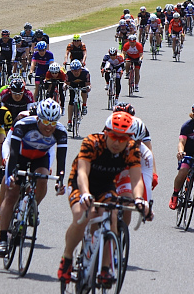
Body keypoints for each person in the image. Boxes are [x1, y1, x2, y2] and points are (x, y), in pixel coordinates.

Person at [57, 112, 148, 283]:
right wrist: (85, 193)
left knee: (112, 215)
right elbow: (82, 172)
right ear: (106, 132)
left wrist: (139, 200)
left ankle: (105, 268)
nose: (117, 142)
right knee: (82, 215)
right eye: (113, 136)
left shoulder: (131, 149)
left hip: (106, 184)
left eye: (123, 138)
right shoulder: (91, 142)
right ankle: (67, 259)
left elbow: (137, 180)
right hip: (81, 182)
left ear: (129, 138)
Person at [0, 99, 68, 256]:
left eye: (53, 122)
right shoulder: (24, 125)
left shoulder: (61, 131)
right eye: (45, 121)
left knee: (43, 177)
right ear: (38, 118)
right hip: (20, 156)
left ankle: (32, 206)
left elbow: (61, 160)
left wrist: (60, 179)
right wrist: (12, 173)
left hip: (39, 157)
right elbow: (13, 152)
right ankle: (2, 239)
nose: (49, 126)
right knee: (11, 195)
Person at [65, 60, 91, 129]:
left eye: (77, 70)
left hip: (82, 84)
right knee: (71, 101)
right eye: (74, 71)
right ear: (71, 70)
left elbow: (88, 84)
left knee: (84, 91)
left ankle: (84, 105)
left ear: (80, 69)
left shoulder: (85, 73)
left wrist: (88, 88)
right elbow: (66, 83)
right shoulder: (68, 74)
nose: (76, 72)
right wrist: (64, 86)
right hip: (73, 85)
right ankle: (69, 122)